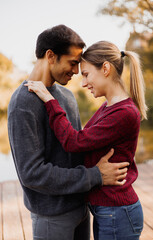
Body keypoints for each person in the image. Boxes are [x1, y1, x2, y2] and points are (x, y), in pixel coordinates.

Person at [8, 25, 129, 240]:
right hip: (51, 217)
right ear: (51, 56)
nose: (76, 71)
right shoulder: (23, 102)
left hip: (82, 210)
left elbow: (77, 146)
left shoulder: (66, 96)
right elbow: (32, 173)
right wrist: (96, 175)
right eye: (73, 63)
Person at [25, 40, 148, 240]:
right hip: (109, 211)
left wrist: (50, 100)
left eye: (86, 74)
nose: (83, 83)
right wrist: (95, 173)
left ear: (105, 69)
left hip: (116, 212)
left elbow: (74, 141)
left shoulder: (124, 113)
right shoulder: (109, 107)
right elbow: (85, 141)